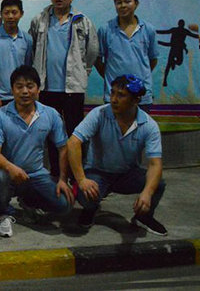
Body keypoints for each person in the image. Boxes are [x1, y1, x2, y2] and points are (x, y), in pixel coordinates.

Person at [67, 74, 167, 236]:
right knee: (85, 195)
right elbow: (73, 143)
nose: (113, 99)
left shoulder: (149, 126)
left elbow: (155, 164)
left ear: (136, 100)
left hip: (126, 174)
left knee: (158, 184)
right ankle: (90, 209)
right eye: (112, 93)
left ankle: (144, 217)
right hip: (98, 172)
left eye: (121, 95)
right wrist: (81, 179)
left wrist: (147, 193)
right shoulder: (99, 114)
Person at [0, 65, 73, 238]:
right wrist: (11, 168)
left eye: (30, 86)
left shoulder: (50, 114)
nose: (25, 91)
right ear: (12, 90)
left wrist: (63, 179)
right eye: (19, 87)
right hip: (8, 173)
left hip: (36, 173)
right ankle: (3, 214)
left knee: (64, 205)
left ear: (38, 89)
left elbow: (63, 148)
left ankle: (28, 202)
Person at [28, 0, 98, 177]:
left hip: (72, 88)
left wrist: (83, 71)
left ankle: (77, 176)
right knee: (52, 134)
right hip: (47, 89)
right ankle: (57, 174)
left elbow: (92, 51)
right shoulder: (40, 20)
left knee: (76, 133)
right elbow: (32, 49)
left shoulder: (82, 21)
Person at [96, 0, 158, 112]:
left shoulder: (148, 29)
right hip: (114, 95)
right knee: (114, 125)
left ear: (136, 4)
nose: (123, 5)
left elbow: (153, 59)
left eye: (127, 1)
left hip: (141, 95)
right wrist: (113, 79)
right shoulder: (105, 29)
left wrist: (139, 78)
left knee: (140, 124)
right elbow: (97, 60)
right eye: (119, 2)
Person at [0, 0, 33, 109]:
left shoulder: (27, 39)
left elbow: (28, 68)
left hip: (21, 96)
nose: (10, 16)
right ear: (1, 14)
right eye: (6, 13)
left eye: (14, 12)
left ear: (21, 14)